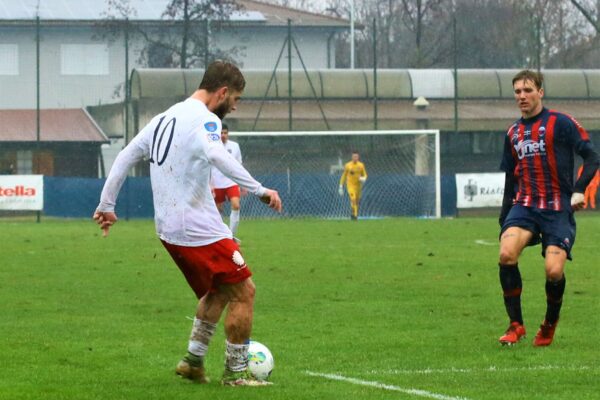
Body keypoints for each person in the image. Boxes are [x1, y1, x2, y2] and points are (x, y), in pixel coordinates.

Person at [93, 61, 282, 385]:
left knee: (219, 290)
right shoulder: (205, 120)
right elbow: (218, 155)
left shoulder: (163, 118)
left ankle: (193, 361)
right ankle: (236, 375)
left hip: (169, 228)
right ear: (222, 92)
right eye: (234, 99)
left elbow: (125, 155)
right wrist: (260, 189)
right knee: (244, 292)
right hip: (196, 227)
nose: (234, 107)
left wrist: (106, 204)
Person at [497, 69, 599, 347]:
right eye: (517, 91)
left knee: (554, 271)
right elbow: (510, 176)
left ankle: (549, 325)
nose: (522, 96)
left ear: (540, 92)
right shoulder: (513, 132)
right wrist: (504, 215)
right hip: (525, 205)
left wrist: (579, 190)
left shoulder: (562, 123)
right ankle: (515, 325)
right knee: (506, 254)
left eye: (528, 90)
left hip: (557, 208)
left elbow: (592, 157)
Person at [211, 123, 244, 239]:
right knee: (217, 210)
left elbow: (239, 165)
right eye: (221, 133)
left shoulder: (235, 146)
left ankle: (232, 236)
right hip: (216, 183)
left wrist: (242, 184)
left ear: (228, 134)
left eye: (225, 133)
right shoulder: (212, 146)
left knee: (236, 205)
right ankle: (219, 235)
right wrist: (209, 184)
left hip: (231, 182)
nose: (223, 135)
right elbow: (208, 166)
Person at [338, 151, 367, 220]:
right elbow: (344, 175)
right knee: (353, 199)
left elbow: (365, 175)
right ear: (352, 157)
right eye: (354, 156)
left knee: (356, 201)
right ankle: (355, 216)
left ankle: (353, 213)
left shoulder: (361, 165)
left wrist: (363, 178)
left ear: (358, 157)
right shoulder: (348, 165)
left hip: (358, 186)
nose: (355, 158)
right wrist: (341, 186)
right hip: (350, 185)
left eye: (356, 156)